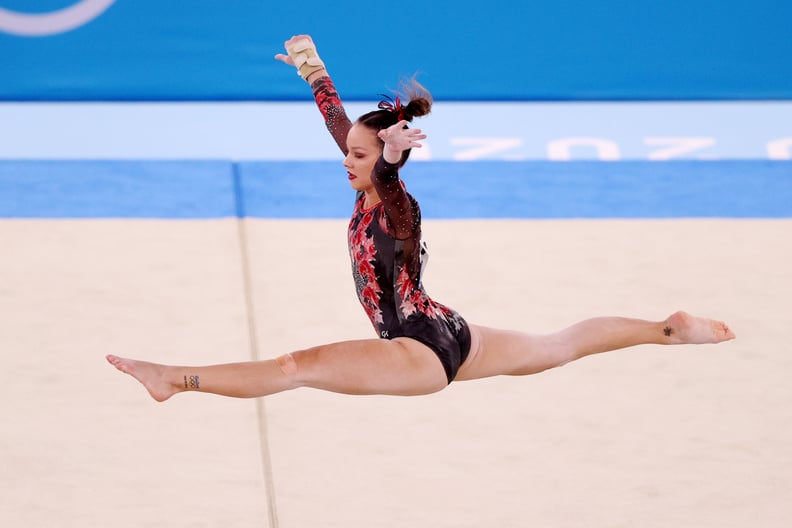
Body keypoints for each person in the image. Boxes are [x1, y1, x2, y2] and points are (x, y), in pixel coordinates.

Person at [106, 35, 735, 402]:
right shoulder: (366, 173)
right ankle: (667, 329)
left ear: (384, 159)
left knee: (294, 368)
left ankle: (174, 379)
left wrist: (391, 162)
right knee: (559, 345)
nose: (345, 161)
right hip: (451, 328)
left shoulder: (394, 206)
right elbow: (340, 125)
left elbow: (393, 194)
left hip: (418, 349)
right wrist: (312, 67)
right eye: (349, 151)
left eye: (358, 154)